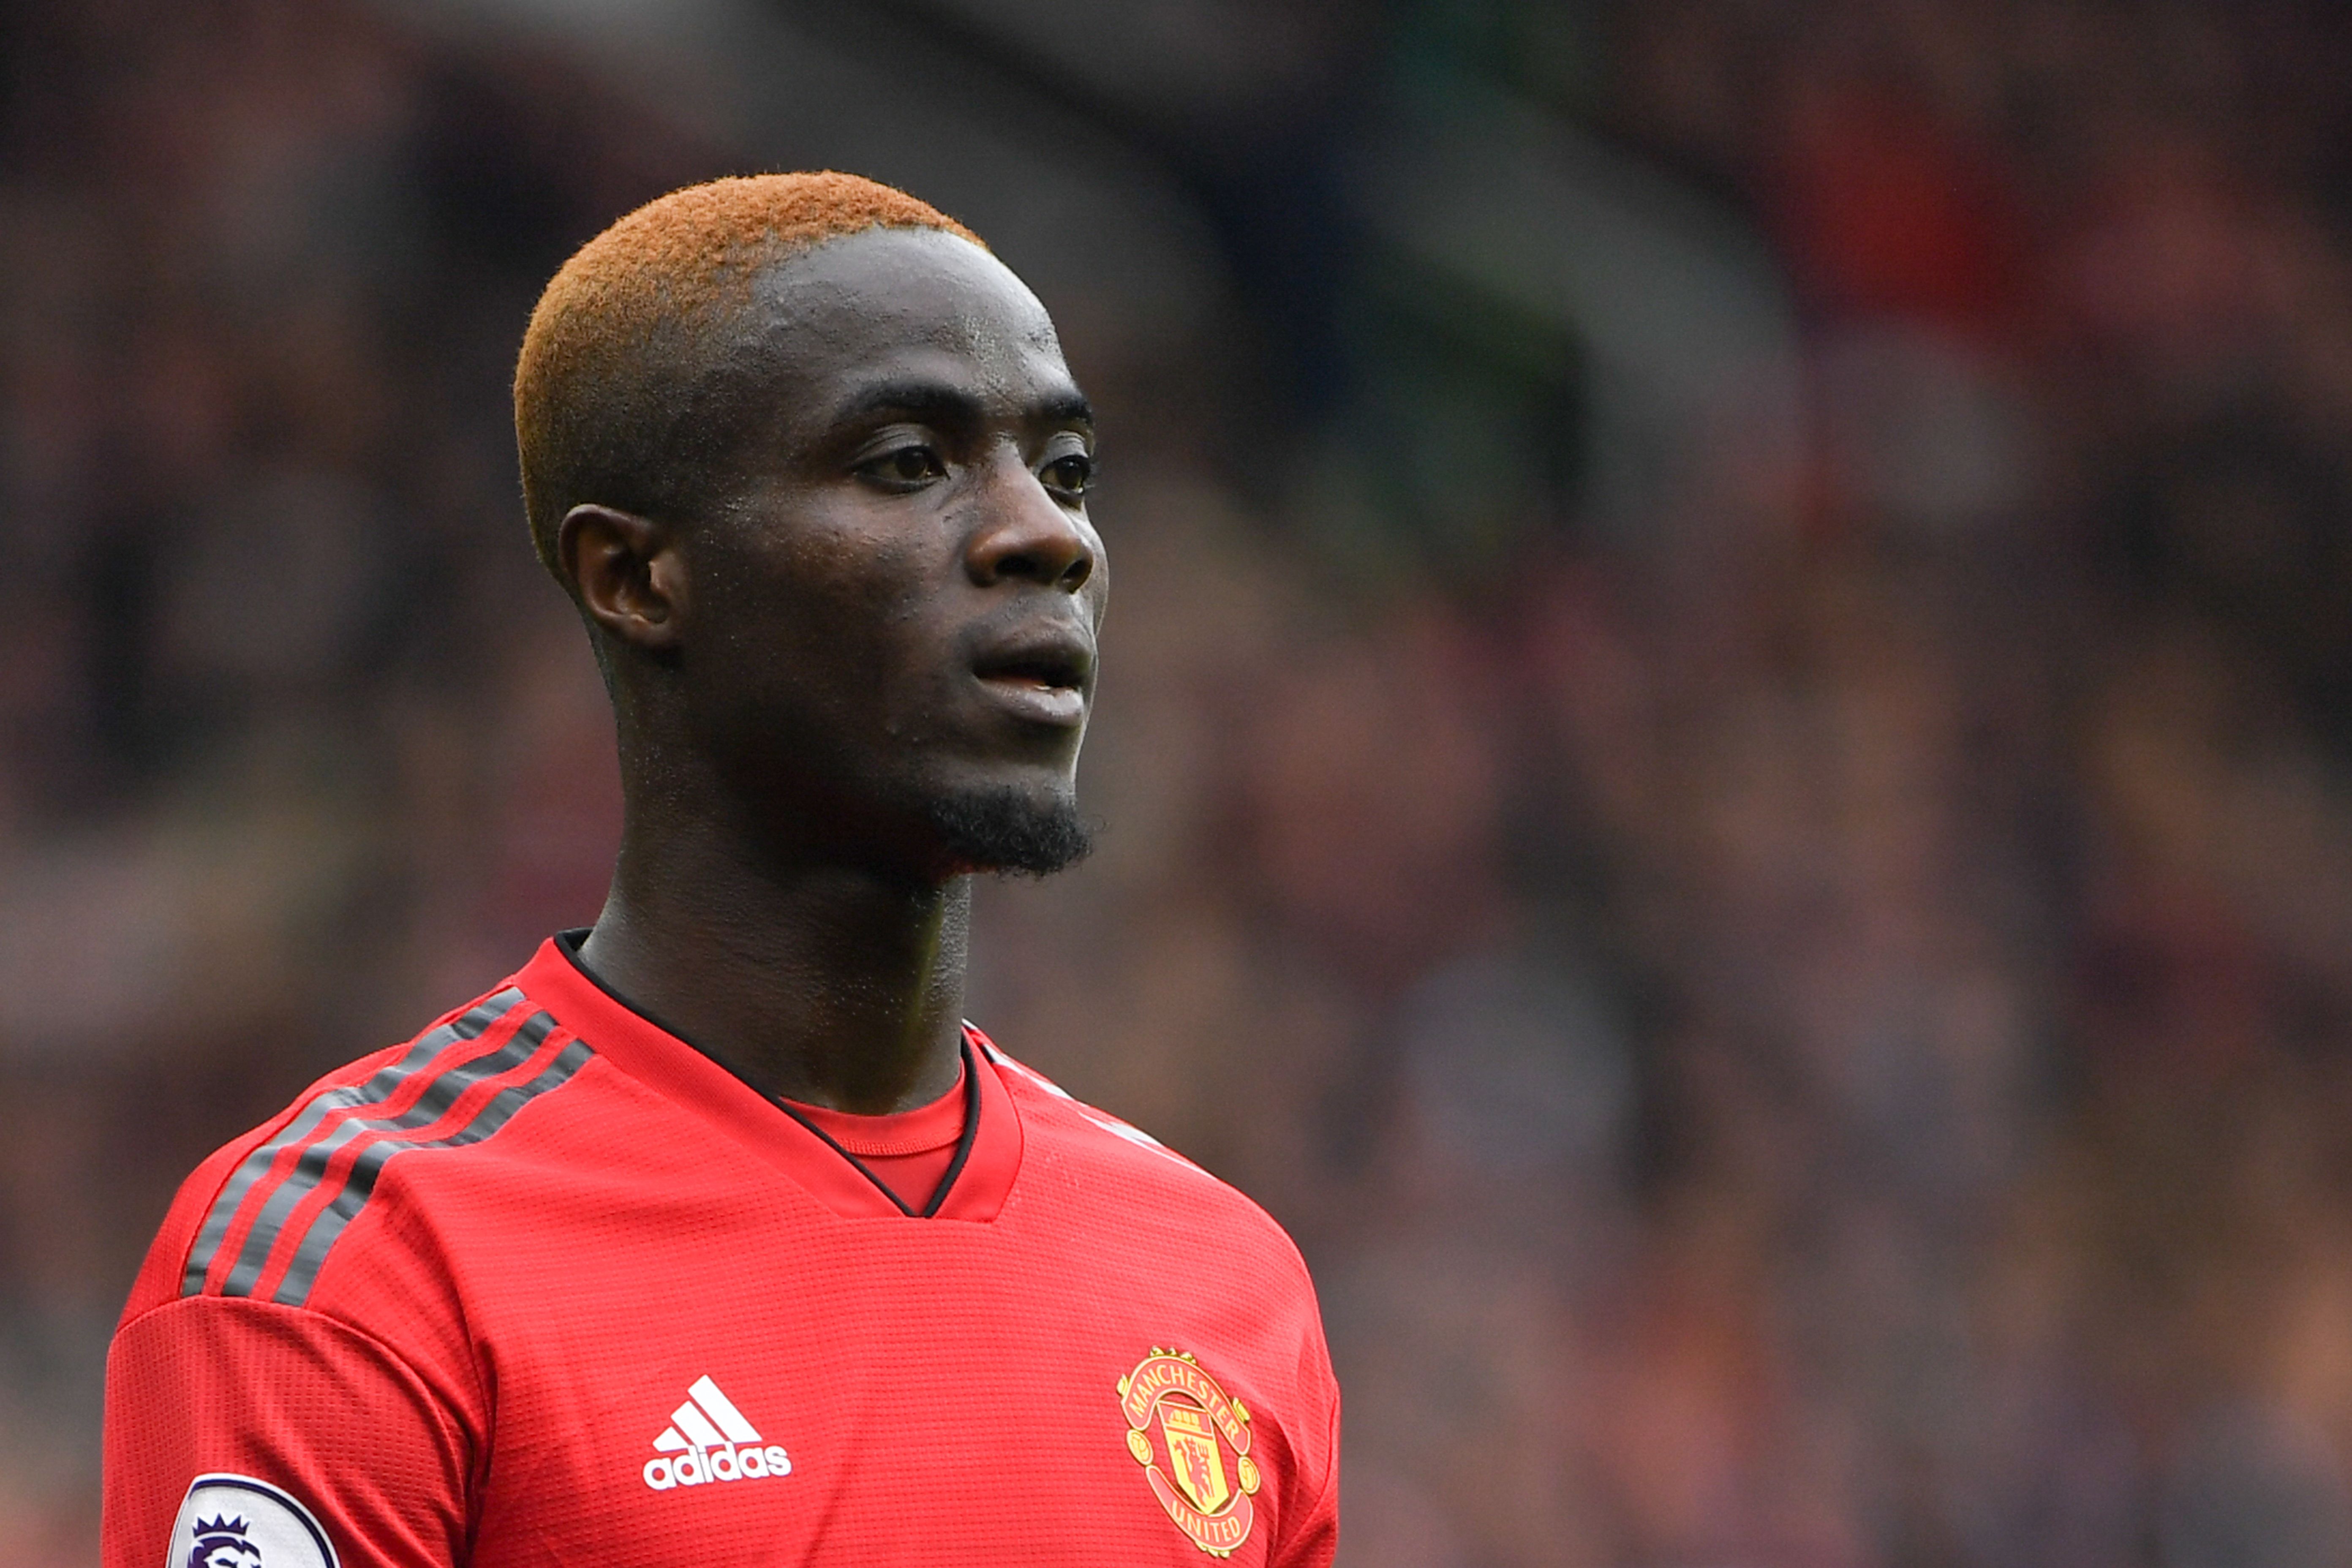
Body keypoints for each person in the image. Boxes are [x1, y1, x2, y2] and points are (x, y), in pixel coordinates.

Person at [101, 173, 1339, 1568]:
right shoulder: (359, 1261)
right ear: (636, 577)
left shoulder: (1224, 1281)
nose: (1046, 536)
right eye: (906, 463)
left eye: (1066, 474)